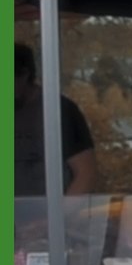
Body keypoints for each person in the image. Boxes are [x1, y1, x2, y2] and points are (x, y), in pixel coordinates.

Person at [15, 43, 97, 196]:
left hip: (51, 215)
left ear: (24, 75)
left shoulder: (59, 111)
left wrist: (58, 217)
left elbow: (86, 174)